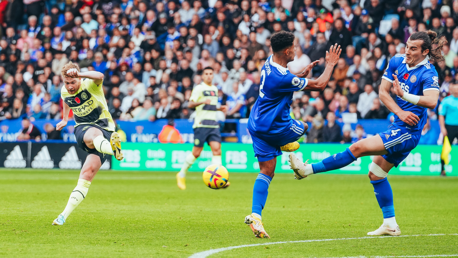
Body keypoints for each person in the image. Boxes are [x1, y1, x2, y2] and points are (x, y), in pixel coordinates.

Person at [290, 31, 444, 236]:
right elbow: (383, 92)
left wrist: (404, 95)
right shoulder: (397, 60)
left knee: (358, 147)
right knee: (376, 174)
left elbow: (432, 101)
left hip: (409, 131)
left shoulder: (429, 72)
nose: (407, 51)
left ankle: (306, 170)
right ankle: (390, 224)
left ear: (425, 51)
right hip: (398, 124)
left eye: (413, 48)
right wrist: (399, 111)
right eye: (407, 46)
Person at [244, 31, 341, 238]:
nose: (296, 50)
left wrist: (300, 76)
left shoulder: (270, 63)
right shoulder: (282, 77)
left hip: (257, 124)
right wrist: (331, 63)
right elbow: (320, 85)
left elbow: (287, 82)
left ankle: (256, 215)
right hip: (275, 127)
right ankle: (285, 144)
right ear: (287, 51)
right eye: (295, 47)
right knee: (305, 126)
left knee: (267, 171)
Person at [52, 62, 124, 226]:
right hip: (83, 129)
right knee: (93, 135)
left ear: (78, 78)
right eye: (67, 83)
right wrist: (65, 119)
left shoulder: (89, 84)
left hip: (107, 130)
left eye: (72, 82)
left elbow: (100, 76)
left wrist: (80, 74)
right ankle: (114, 150)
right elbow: (66, 99)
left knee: (86, 175)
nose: (70, 87)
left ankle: (63, 216)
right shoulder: (65, 91)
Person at [177, 67, 227, 190]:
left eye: (211, 73)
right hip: (201, 124)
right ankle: (181, 173)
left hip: (213, 124)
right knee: (196, 152)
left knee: (217, 150)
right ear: (203, 76)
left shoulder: (214, 89)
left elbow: (210, 106)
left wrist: (219, 108)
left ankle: (218, 177)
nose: (209, 76)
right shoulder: (199, 88)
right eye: (206, 74)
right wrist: (202, 101)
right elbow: (190, 104)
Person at [439, 83, 458, 176]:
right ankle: (442, 170)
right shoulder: (446, 101)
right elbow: (441, 115)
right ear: (451, 90)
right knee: (445, 148)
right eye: (455, 89)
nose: (456, 90)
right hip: (449, 127)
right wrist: (442, 128)